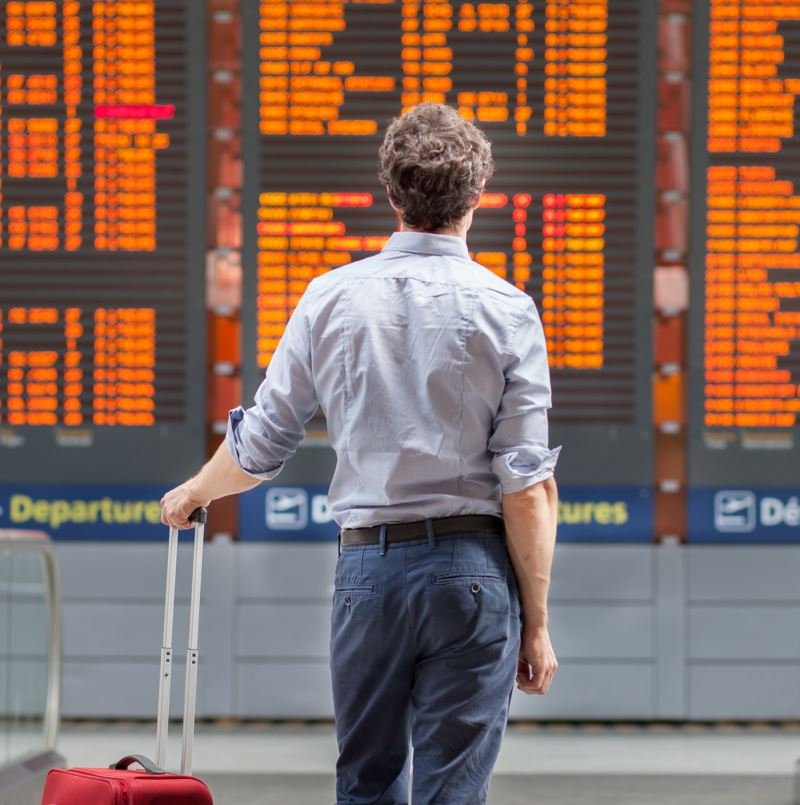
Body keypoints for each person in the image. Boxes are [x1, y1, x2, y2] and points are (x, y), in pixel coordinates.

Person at [161, 102, 560, 805]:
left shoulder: (331, 299)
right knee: (455, 789)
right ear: (476, 196)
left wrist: (194, 492)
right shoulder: (508, 308)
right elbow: (526, 487)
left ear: (391, 193)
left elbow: (259, 445)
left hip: (369, 573)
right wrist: (536, 623)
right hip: (474, 575)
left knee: (367, 782)